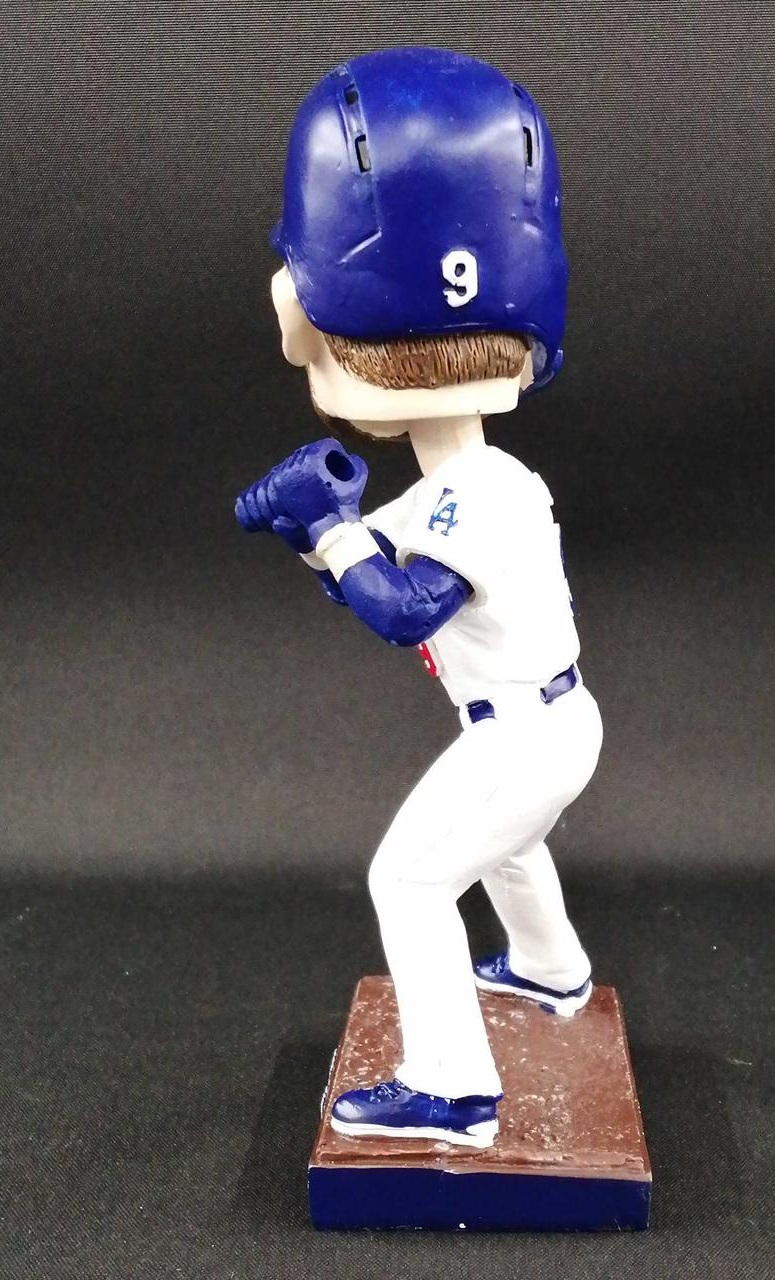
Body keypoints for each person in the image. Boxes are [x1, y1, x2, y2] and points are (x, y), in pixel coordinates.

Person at [237, 48, 601, 1148]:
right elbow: (365, 566)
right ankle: (550, 967)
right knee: (506, 845)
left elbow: (399, 610)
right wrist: (313, 529)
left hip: (524, 730)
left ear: (309, 318)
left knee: (407, 878)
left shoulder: (476, 495)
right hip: (548, 724)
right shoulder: (466, 482)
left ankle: (451, 1087)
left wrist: (332, 529)